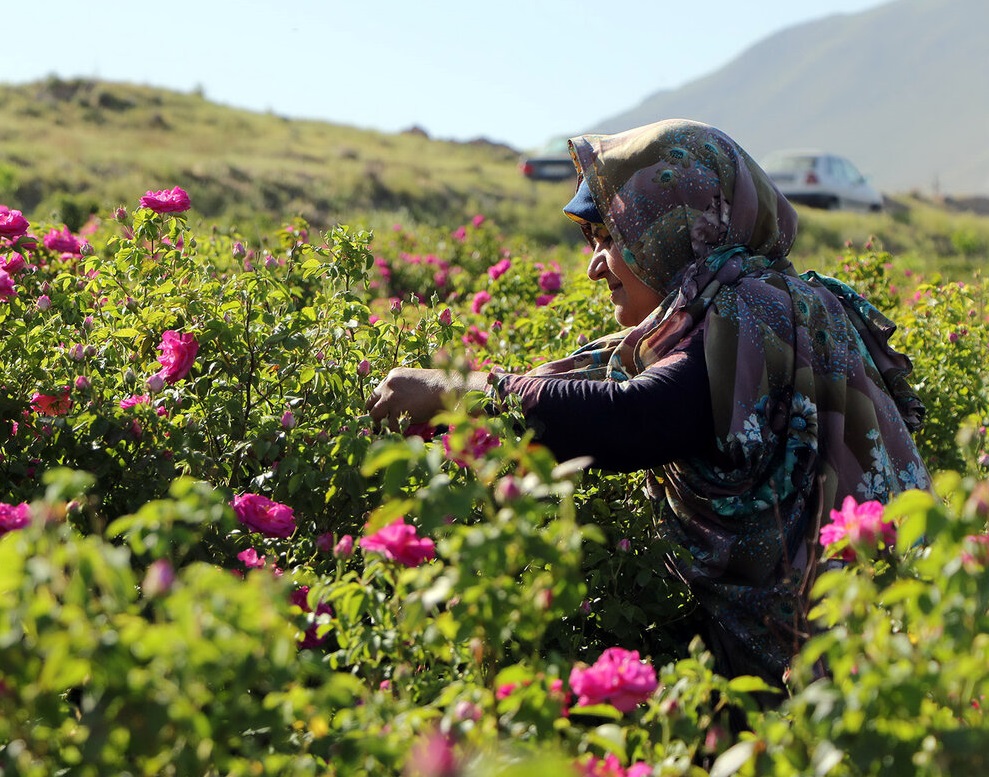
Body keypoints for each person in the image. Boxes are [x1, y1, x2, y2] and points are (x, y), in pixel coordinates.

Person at [365, 118, 930, 690]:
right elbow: (598, 390)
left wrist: (457, 392)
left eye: (611, 238)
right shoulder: (719, 314)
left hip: (877, 657)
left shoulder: (755, 310)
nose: (594, 265)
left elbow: (639, 418)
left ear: (674, 228)